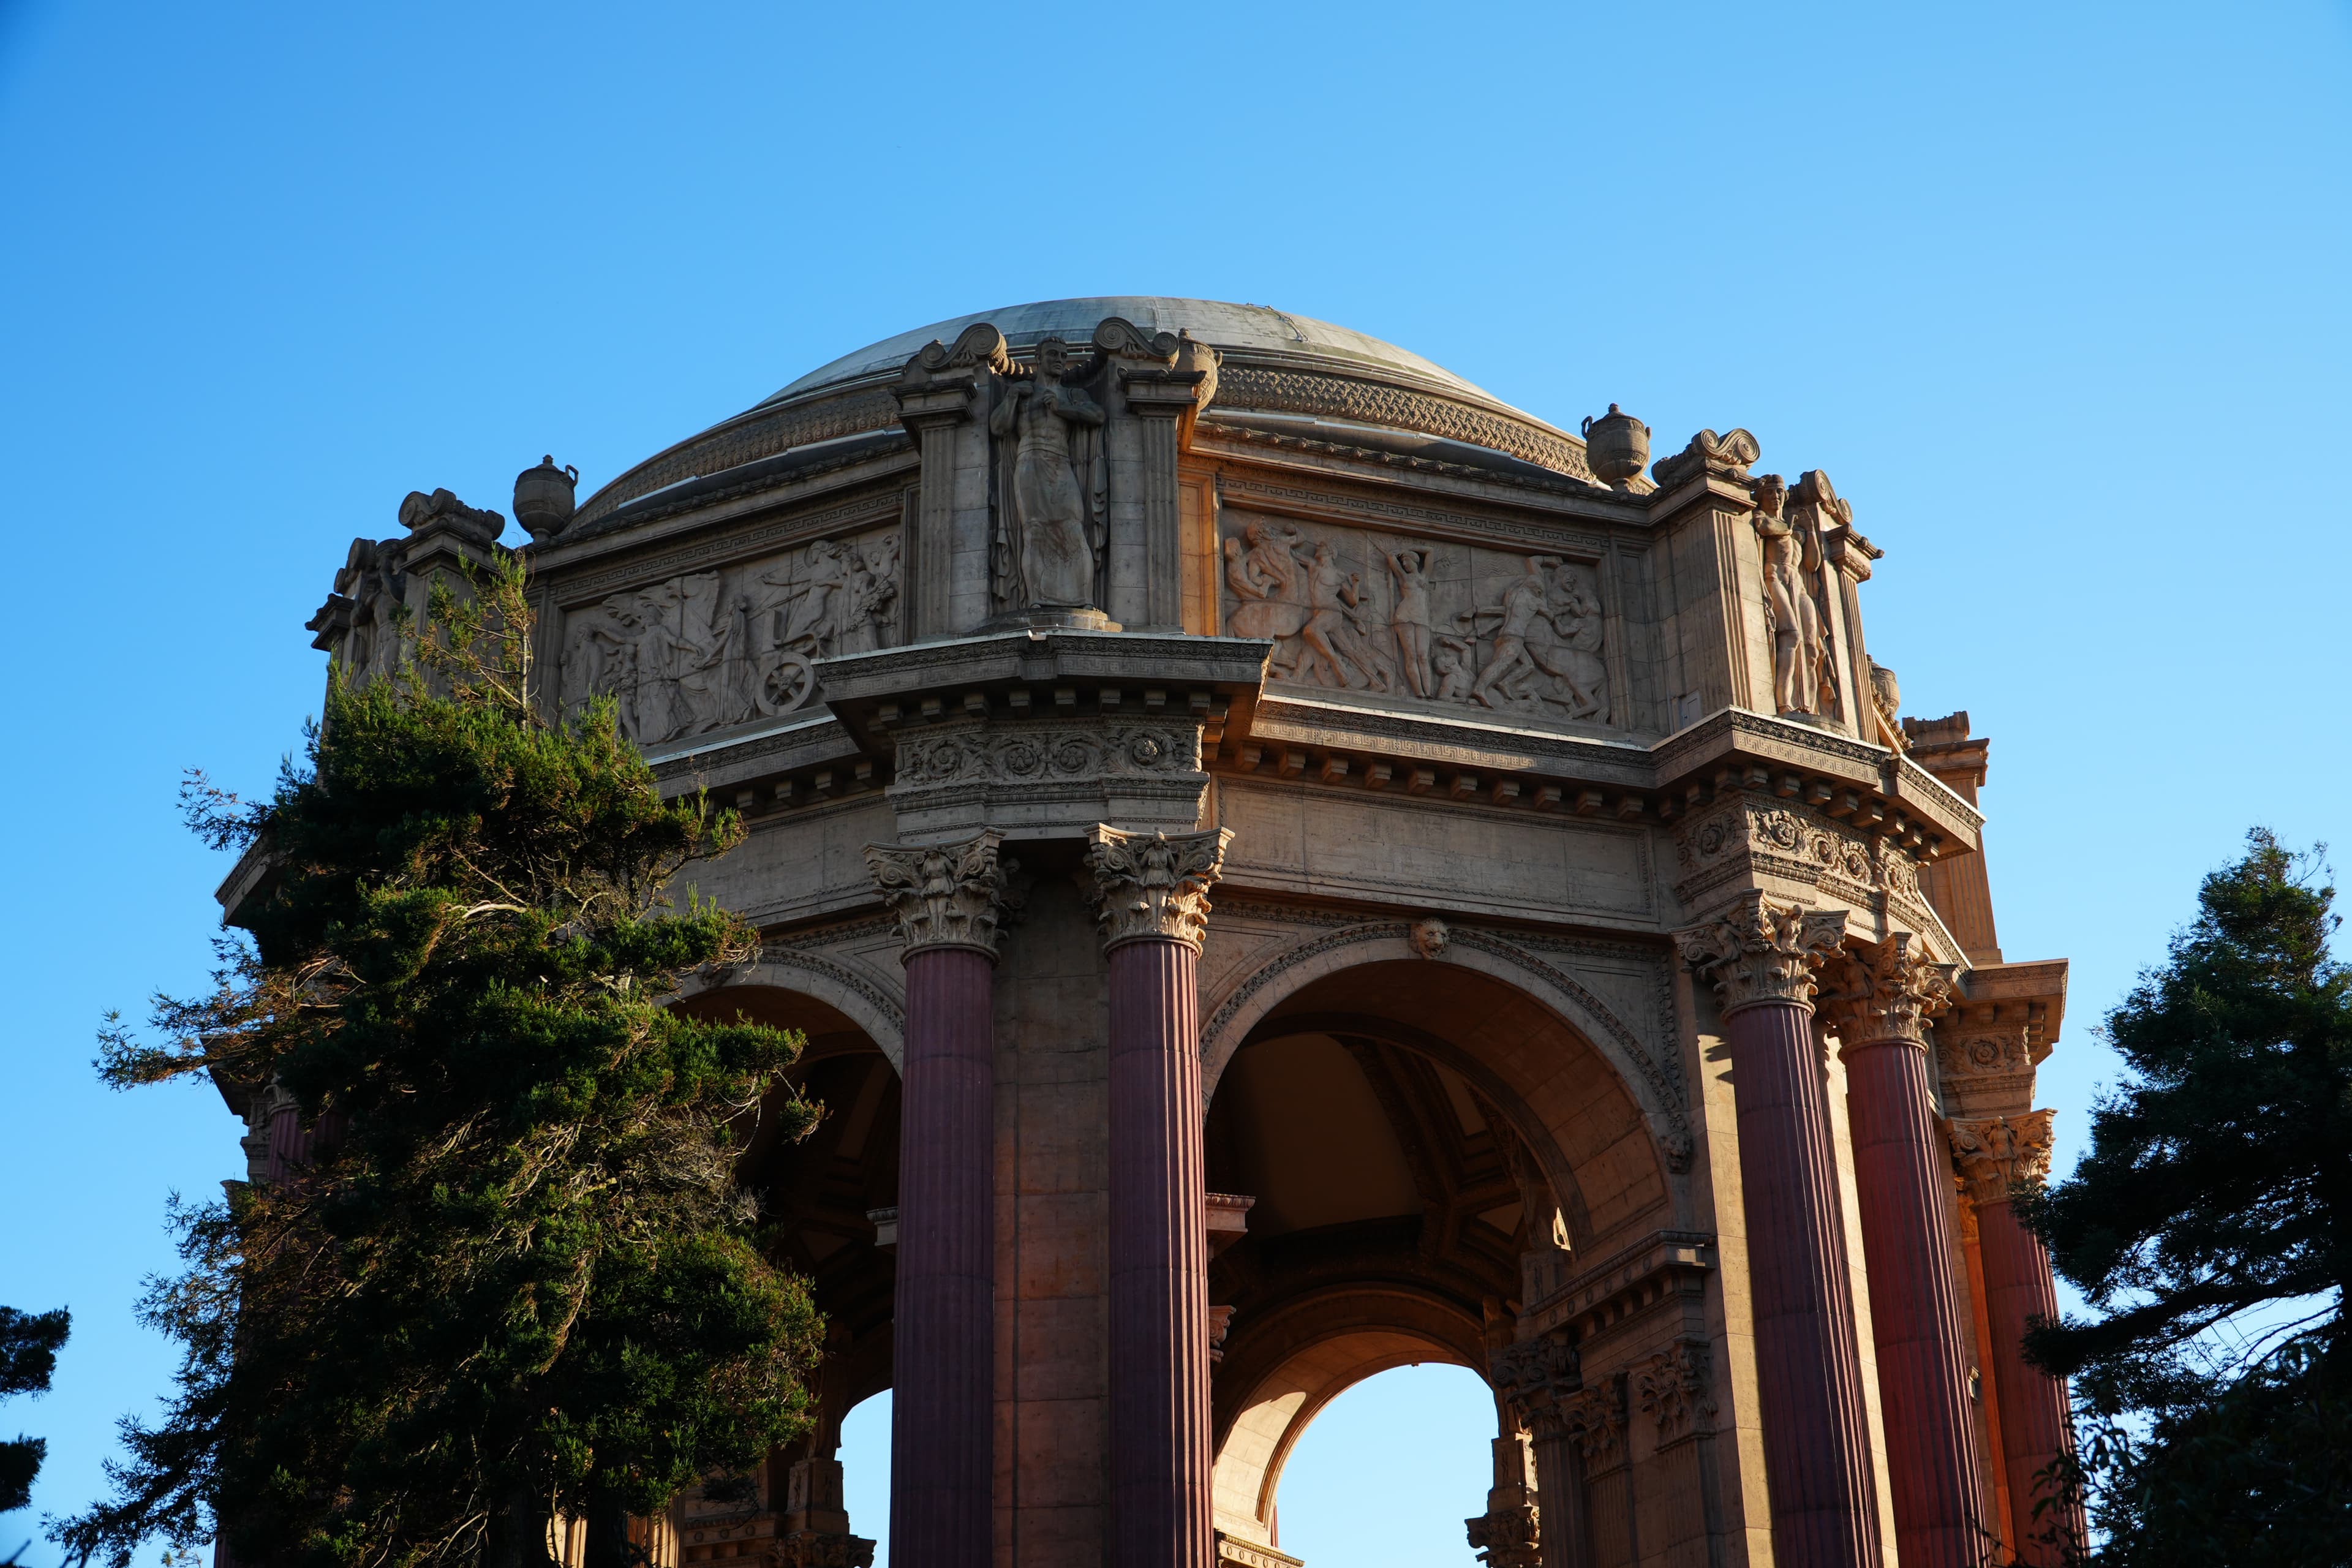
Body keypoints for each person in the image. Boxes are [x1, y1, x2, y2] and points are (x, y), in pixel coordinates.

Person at [989, 339, 1106, 608]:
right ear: (1038, 357)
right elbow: (998, 428)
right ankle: (1037, 599)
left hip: (1061, 463)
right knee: (1035, 531)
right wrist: (1011, 396)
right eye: (1053, 354)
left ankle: (1084, 599)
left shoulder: (1072, 395)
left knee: (1074, 528)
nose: (1059, 359)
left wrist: (1063, 409)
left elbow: (1098, 416)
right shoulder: (1023, 395)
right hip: (1029, 463)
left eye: (1064, 355)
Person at [1385, 547, 1437, 698]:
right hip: (1404, 616)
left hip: (1421, 618)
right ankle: (1419, 692)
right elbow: (1390, 556)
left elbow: (1430, 552)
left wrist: (1410, 548)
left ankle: (1428, 692)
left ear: (1415, 561)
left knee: (1423, 655)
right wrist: (1398, 553)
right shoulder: (1403, 577)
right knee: (1411, 655)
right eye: (1403, 562)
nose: (1405, 565)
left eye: (1407, 561)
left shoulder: (1424, 576)